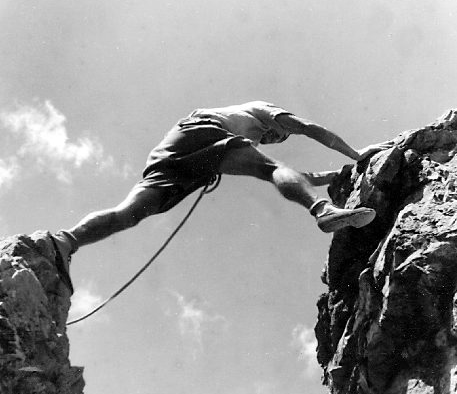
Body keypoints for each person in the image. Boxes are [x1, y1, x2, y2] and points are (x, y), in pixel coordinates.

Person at [52, 101, 388, 288]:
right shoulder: (265, 110)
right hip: (202, 130)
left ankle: (65, 242)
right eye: (277, 136)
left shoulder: (246, 134)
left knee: (130, 213)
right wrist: (356, 155)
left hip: (172, 150)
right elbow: (312, 130)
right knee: (270, 169)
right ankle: (322, 210)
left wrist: (340, 174)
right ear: (277, 124)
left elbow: (298, 175)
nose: (273, 140)